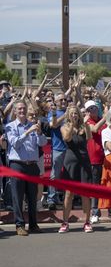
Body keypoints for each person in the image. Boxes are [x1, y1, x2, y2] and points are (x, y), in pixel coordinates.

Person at [5, 100, 47, 236]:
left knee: (32, 197)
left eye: (24, 108)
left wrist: (40, 133)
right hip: (17, 165)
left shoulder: (33, 125)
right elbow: (15, 143)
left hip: (32, 165)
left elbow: (43, 143)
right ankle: (19, 225)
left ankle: (33, 224)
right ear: (15, 111)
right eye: (19, 109)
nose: (22, 111)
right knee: (18, 196)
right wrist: (28, 132)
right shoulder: (10, 126)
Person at [58, 105, 93, 233]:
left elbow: (89, 138)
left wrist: (87, 124)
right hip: (71, 162)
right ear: (68, 115)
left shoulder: (83, 127)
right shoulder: (65, 127)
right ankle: (65, 222)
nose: (74, 115)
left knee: (85, 194)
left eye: (76, 113)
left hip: (84, 161)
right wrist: (73, 125)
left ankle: (87, 222)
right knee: (69, 193)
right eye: (72, 114)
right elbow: (67, 137)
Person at [85, 100, 107, 224]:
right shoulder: (87, 121)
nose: (92, 110)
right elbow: (94, 129)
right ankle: (94, 211)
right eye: (90, 109)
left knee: (105, 185)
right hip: (92, 159)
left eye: (94, 108)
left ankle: (110, 210)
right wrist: (105, 117)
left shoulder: (102, 120)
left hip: (104, 157)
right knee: (94, 187)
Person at [47, 92, 67, 210]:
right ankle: (51, 198)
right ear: (56, 102)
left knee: (69, 175)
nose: (64, 102)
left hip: (70, 148)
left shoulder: (71, 112)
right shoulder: (52, 113)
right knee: (54, 174)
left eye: (65, 99)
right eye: (61, 100)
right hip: (58, 148)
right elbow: (53, 125)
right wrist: (65, 115)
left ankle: (69, 198)